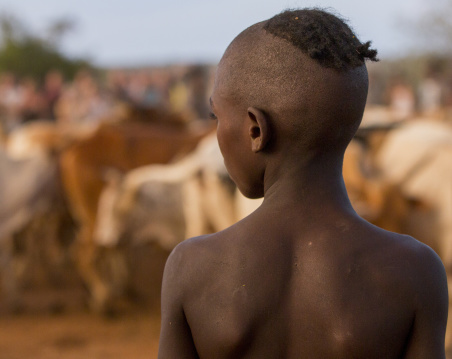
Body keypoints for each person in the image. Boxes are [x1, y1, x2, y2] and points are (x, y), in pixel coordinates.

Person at [158, 8, 448, 359]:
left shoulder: (192, 267)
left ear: (255, 130)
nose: (216, 131)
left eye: (216, 116)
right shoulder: (415, 271)